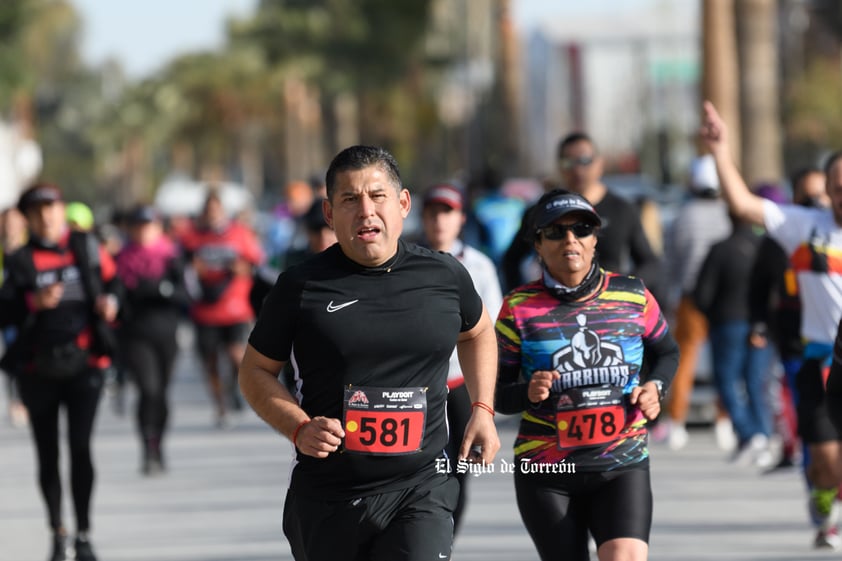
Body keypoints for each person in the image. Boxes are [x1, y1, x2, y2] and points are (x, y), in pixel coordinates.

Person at [238, 145, 500, 561]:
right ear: (328, 213)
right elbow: (254, 371)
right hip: (329, 496)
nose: (366, 211)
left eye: (377, 196)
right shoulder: (299, 287)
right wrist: (299, 427)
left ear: (402, 204)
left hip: (421, 487)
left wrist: (483, 409)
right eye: (349, 199)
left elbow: (479, 332)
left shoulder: (444, 275)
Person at [494, 188, 679, 561]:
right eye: (555, 232)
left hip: (621, 462)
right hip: (546, 470)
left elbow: (667, 353)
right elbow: (497, 392)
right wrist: (527, 391)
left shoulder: (632, 296)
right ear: (538, 244)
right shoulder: (518, 308)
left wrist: (655, 388)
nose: (570, 240)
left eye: (581, 229)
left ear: (595, 240)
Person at [701, 100, 842, 549]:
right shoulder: (807, 227)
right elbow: (743, 205)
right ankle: (824, 494)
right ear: (829, 193)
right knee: (824, 459)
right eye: (838, 189)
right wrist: (721, 152)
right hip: (819, 362)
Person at [0, 183, 121, 561]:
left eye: (51, 208)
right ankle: (58, 531)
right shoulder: (20, 260)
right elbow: (5, 312)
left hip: (86, 364)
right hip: (39, 368)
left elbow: (114, 281)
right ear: (28, 218)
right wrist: (31, 302)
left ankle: (84, 533)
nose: (45, 216)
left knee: (81, 448)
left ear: (61, 209)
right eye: (36, 211)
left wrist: (111, 302)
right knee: (47, 454)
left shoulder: (85, 246)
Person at [420, 182, 504, 536]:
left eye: (448, 212)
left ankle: (443, 542)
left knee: (458, 473)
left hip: (459, 387)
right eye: (434, 212)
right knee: (419, 472)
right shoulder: (405, 260)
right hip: (417, 389)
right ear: (422, 218)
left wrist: (485, 401)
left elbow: (493, 329)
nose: (440, 220)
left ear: (461, 219)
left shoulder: (479, 266)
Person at [501, 132, 662, 297]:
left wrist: (623, 291)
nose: (577, 169)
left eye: (585, 161)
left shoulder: (622, 209)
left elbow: (650, 263)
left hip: (609, 310)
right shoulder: (541, 212)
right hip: (556, 311)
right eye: (568, 162)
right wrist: (525, 298)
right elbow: (511, 260)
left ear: (600, 163)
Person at [749, 168, 829, 472]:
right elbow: (759, 287)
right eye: (807, 196)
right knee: (810, 420)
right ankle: (816, 485)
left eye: (821, 195)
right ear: (794, 197)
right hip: (797, 341)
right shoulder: (778, 240)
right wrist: (758, 324)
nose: (815, 203)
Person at [660, 155, 731, 450]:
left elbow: (671, 261)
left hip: (690, 296)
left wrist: (668, 296)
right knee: (726, 361)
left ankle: (677, 422)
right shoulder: (727, 214)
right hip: (724, 298)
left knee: (684, 361)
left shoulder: (683, 215)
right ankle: (725, 421)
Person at [693, 210, 774, 467]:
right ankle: (763, 434)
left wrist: (712, 314)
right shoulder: (765, 248)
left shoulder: (720, 250)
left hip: (727, 322)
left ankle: (750, 434)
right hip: (761, 325)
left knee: (727, 381)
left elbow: (702, 294)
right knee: (756, 381)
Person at [179, 189, 263, 428]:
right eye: (208, 210)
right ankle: (221, 406)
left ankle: (235, 388)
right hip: (204, 310)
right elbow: (181, 268)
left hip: (235, 307)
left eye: (216, 210)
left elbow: (256, 264)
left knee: (237, 354)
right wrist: (193, 270)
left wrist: (242, 269)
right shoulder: (191, 237)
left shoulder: (239, 233)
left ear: (223, 211)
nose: (213, 215)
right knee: (211, 362)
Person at [115, 204, 190, 475]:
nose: (144, 231)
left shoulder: (171, 257)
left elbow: (186, 296)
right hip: (136, 336)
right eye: (138, 226)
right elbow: (115, 297)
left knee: (161, 394)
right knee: (148, 390)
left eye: (149, 226)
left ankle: (159, 445)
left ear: (158, 228)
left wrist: (162, 290)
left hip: (166, 334)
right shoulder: (121, 259)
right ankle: (147, 448)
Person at [1, 205, 29, 428]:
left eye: (14, 221)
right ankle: (17, 400)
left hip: (28, 310)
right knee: (12, 353)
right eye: (6, 221)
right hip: (6, 312)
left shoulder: (30, 247)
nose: (10, 225)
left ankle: (28, 396)